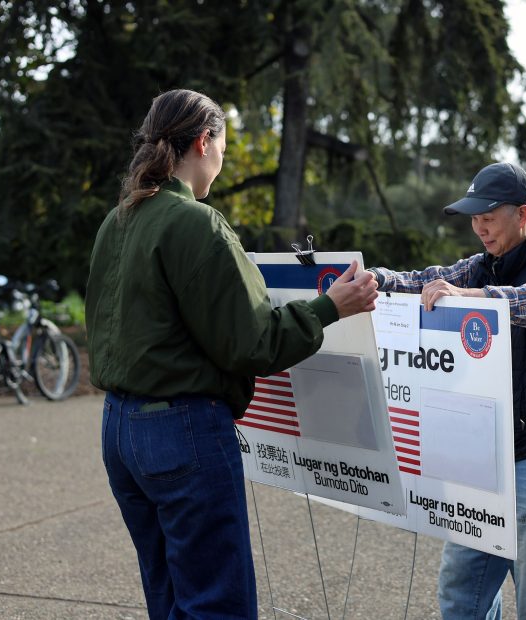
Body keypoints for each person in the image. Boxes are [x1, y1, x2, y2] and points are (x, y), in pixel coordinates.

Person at [85, 89, 378, 619]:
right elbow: (253, 341)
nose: (222, 155)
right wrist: (330, 307)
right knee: (217, 607)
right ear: (203, 141)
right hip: (181, 433)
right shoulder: (196, 223)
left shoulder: (119, 220)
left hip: (119, 431)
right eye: (222, 143)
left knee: (170, 598)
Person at [368, 162, 526, 620]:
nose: (478, 226)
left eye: (489, 215)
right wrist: (378, 280)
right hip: (479, 462)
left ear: (523, 215)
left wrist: (473, 299)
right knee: (460, 596)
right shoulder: (480, 266)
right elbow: (424, 280)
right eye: (473, 217)